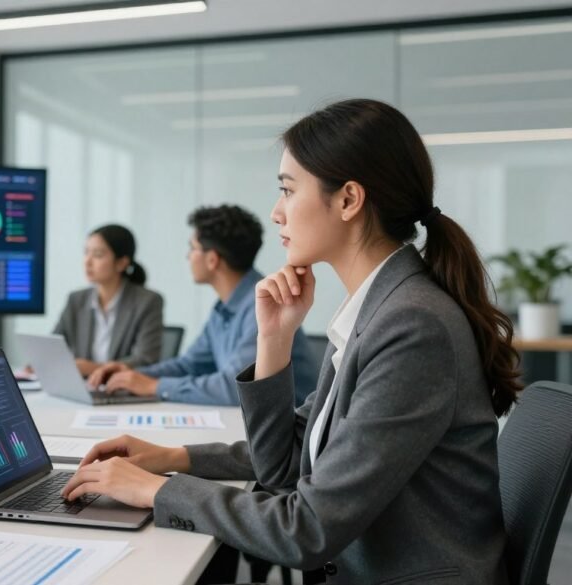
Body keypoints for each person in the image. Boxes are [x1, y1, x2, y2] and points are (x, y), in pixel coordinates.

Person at [61, 99, 520, 583]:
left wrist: (157, 491)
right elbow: (287, 464)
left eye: (287, 189)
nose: (277, 213)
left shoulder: (412, 327)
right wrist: (271, 344)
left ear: (348, 200)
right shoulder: (379, 309)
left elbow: (306, 530)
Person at [88, 205, 318, 406]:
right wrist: (132, 374)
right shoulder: (223, 308)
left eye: (192, 248)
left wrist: (154, 386)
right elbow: (190, 364)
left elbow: (232, 388)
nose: (188, 257)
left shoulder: (264, 304)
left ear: (212, 259)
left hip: (293, 438)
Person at [52, 224, 164, 377]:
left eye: (97, 255)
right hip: (81, 387)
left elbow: (145, 360)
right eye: (86, 253)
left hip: (122, 390)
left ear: (121, 263)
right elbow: (53, 346)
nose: (87, 262)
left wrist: (92, 368)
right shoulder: (76, 300)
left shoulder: (148, 301)